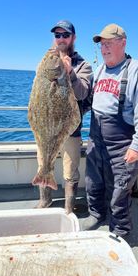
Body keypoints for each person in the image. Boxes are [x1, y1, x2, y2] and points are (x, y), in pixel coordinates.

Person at [82, 23, 138, 236]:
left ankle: (120, 230)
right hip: (96, 136)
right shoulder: (100, 69)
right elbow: (89, 101)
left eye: (109, 44)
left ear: (123, 43)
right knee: (93, 181)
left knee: (119, 189)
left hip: (122, 142)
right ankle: (96, 214)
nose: (104, 49)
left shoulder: (137, 70)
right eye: (101, 45)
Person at [36, 20, 93, 214]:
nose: (61, 39)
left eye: (65, 35)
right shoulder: (47, 58)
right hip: (46, 127)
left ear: (73, 38)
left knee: (70, 172)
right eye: (57, 35)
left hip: (71, 128)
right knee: (43, 163)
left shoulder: (82, 65)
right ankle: (45, 201)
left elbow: (83, 93)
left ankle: (69, 208)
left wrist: (70, 73)